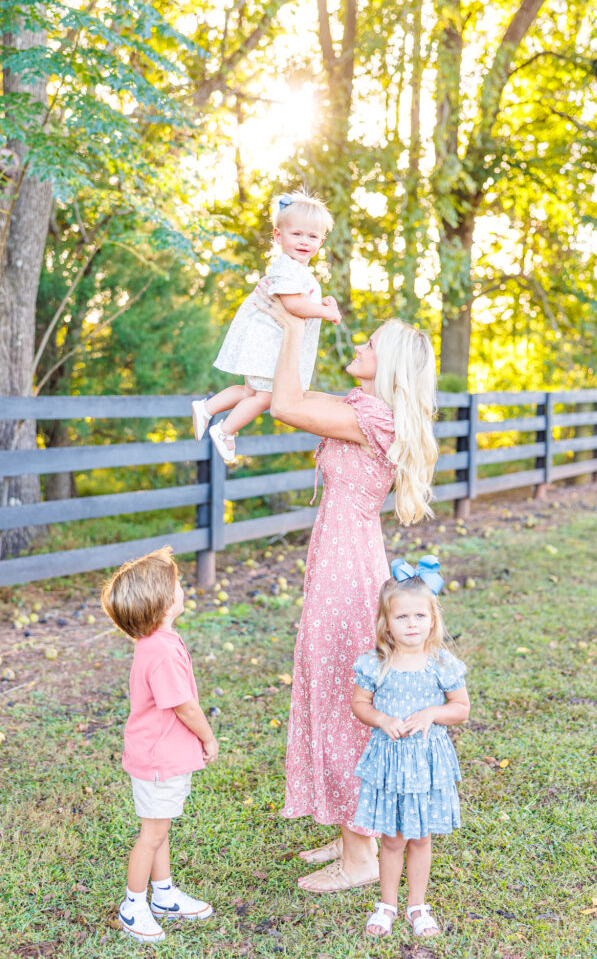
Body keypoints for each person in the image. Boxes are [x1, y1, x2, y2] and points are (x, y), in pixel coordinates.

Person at [253, 286, 439, 893]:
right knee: (332, 685)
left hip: (348, 567)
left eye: (370, 343)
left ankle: (360, 858)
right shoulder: (362, 407)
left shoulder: (374, 417)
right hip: (338, 557)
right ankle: (350, 827)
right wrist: (298, 319)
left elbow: (284, 405)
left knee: (343, 695)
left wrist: (290, 327)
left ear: (388, 368)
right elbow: (298, 396)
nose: (359, 344)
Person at [101, 547, 219, 944]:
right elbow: (184, 706)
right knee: (151, 835)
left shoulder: (158, 641)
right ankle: (134, 904)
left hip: (160, 757)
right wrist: (208, 736)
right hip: (158, 761)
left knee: (160, 829)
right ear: (164, 602)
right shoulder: (162, 651)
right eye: (178, 584)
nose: (183, 588)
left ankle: (164, 895)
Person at [351, 557, 470, 939]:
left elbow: (461, 709)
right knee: (391, 838)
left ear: (433, 619)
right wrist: (382, 720)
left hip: (427, 763)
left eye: (420, 615)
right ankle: (386, 905)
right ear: (386, 623)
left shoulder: (441, 663)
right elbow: (360, 705)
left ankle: (417, 906)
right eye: (403, 617)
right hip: (390, 762)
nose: (413, 624)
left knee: (420, 838)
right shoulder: (376, 664)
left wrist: (433, 713)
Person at [191, 190, 341, 463]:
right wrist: (326, 312)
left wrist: (322, 303)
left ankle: (206, 407)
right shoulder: (288, 267)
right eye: (297, 234)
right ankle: (225, 431)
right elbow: (295, 306)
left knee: (250, 392)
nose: (304, 241)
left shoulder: (297, 270)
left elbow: (302, 302)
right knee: (266, 397)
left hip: (265, 341)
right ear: (278, 235)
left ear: (322, 240)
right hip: (269, 343)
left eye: (312, 236)